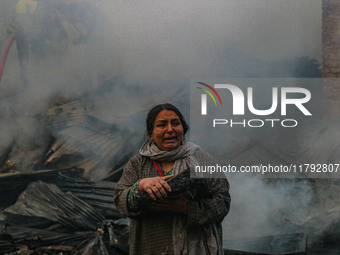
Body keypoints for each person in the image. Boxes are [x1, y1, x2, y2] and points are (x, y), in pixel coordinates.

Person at [114, 103, 231, 255]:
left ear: (183, 128)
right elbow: (119, 200)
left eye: (175, 123)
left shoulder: (202, 159)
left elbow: (223, 202)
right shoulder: (138, 164)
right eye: (162, 125)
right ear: (151, 132)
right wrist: (141, 186)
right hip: (152, 248)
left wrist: (185, 208)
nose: (170, 129)